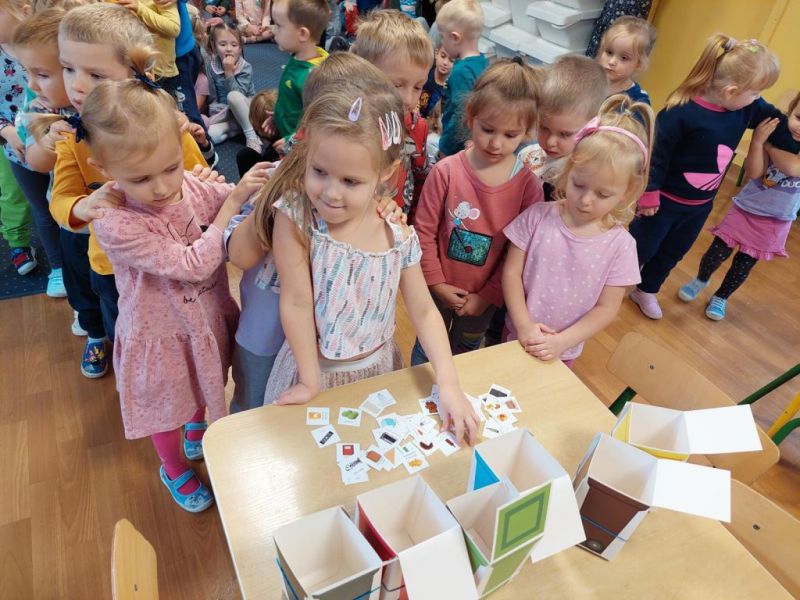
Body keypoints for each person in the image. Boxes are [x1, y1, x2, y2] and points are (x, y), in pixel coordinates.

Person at [255, 85, 480, 444]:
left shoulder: (397, 233)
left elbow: (424, 311)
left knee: (371, 452)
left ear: (386, 171)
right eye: (319, 171)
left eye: (350, 181)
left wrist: (449, 383)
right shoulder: (297, 216)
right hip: (312, 368)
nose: (331, 192)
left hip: (379, 370)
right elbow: (296, 302)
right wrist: (310, 381)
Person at [84, 77, 269, 511]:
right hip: (159, 337)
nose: (163, 187)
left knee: (204, 382)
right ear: (104, 170)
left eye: (171, 167)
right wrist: (230, 207)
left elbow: (229, 196)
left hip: (203, 319)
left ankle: (196, 424)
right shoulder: (114, 222)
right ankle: (171, 466)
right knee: (168, 409)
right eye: (141, 178)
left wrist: (266, 183)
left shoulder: (186, 183)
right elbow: (193, 264)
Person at [225, 54, 405, 413]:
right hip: (268, 334)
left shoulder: (356, 186)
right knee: (256, 412)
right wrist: (276, 199)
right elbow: (239, 255)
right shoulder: (278, 183)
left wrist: (387, 209)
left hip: (329, 345)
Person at [42, 3, 209, 376]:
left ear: (138, 74)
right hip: (110, 266)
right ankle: (133, 376)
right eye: (68, 68)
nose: (76, 85)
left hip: (171, 257)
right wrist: (82, 206)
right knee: (127, 334)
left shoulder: (165, 123)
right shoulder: (72, 137)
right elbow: (61, 199)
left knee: (180, 328)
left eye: (95, 75)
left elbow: (198, 178)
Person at [629, 34, 799, 319]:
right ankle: (608, 285)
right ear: (731, 91)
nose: (759, 99)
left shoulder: (747, 106)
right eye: (756, 93)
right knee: (640, 249)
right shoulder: (680, 113)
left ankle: (645, 290)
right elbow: (656, 156)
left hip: (698, 207)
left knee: (672, 253)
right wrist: (649, 193)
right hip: (662, 204)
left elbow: (778, 123)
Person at [411, 60, 544, 364]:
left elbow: (517, 255)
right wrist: (436, 283)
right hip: (436, 289)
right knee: (426, 349)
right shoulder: (445, 172)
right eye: (488, 129)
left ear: (526, 132)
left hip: (484, 300)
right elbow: (423, 232)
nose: (496, 143)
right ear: (471, 118)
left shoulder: (529, 188)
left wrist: (487, 296)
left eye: (510, 135)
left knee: (467, 354)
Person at [503, 95, 650, 368]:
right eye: (579, 185)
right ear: (568, 170)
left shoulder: (622, 246)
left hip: (563, 351)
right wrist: (523, 325)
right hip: (516, 334)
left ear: (627, 192)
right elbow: (511, 273)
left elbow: (607, 308)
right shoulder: (537, 216)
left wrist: (562, 342)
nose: (585, 200)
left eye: (603, 194)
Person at [678, 92, 800, 321]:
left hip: (776, 221)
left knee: (743, 265)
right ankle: (701, 279)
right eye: (799, 117)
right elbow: (754, 173)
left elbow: (794, 169)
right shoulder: (777, 134)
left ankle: (721, 297)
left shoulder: (775, 142)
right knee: (715, 254)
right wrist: (757, 142)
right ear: (791, 109)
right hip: (746, 210)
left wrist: (768, 145)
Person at [0, 0, 66, 297]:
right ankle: (58, 267)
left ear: (23, 11)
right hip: (19, 151)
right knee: (43, 208)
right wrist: (6, 131)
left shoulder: (49, 45)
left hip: (59, 140)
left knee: (67, 198)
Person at [351, 9, 432, 214]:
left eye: (418, 87)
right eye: (396, 85)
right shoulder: (343, 119)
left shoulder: (417, 126)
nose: (408, 99)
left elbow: (420, 178)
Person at [515, 54, 608, 202]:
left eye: (564, 134)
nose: (550, 142)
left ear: (592, 126)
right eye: (544, 128)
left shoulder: (583, 176)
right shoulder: (526, 155)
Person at [264, 0, 329, 155]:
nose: (273, 30)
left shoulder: (313, 77)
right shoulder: (299, 57)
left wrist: (292, 140)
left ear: (302, 34)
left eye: (279, 25)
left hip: (299, 150)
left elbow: (320, 123)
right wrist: (279, 115)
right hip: (286, 135)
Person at [435, 0, 487, 157]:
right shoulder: (484, 62)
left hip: (455, 148)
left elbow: (460, 116)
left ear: (455, 38)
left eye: (442, 38)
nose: (441, 42)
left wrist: (444, 149)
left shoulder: (461, 72)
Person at [199, 23, 260, 151]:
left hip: (245, 107)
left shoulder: (245, 67)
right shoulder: (212, 64)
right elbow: (213, 94)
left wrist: (229, 72)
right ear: (214, 47)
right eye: (222, 44)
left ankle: (251, 136)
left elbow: (239, 94)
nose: (228, 49)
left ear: (240, 47)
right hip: (223, 111)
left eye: (234, 45)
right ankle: (236, 127)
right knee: (208, 135)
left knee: (233, 96)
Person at [595, 15, 656, 104]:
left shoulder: (638, 101)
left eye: (624, 58)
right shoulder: (585, 81)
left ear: (638, 64)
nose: (612, 62)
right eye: (609, 52)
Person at [419, 43, 453, 119]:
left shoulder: (450, 88)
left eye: (451, 60)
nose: (445, 63)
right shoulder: (425, 72)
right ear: (436, 54)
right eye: (443, 56)